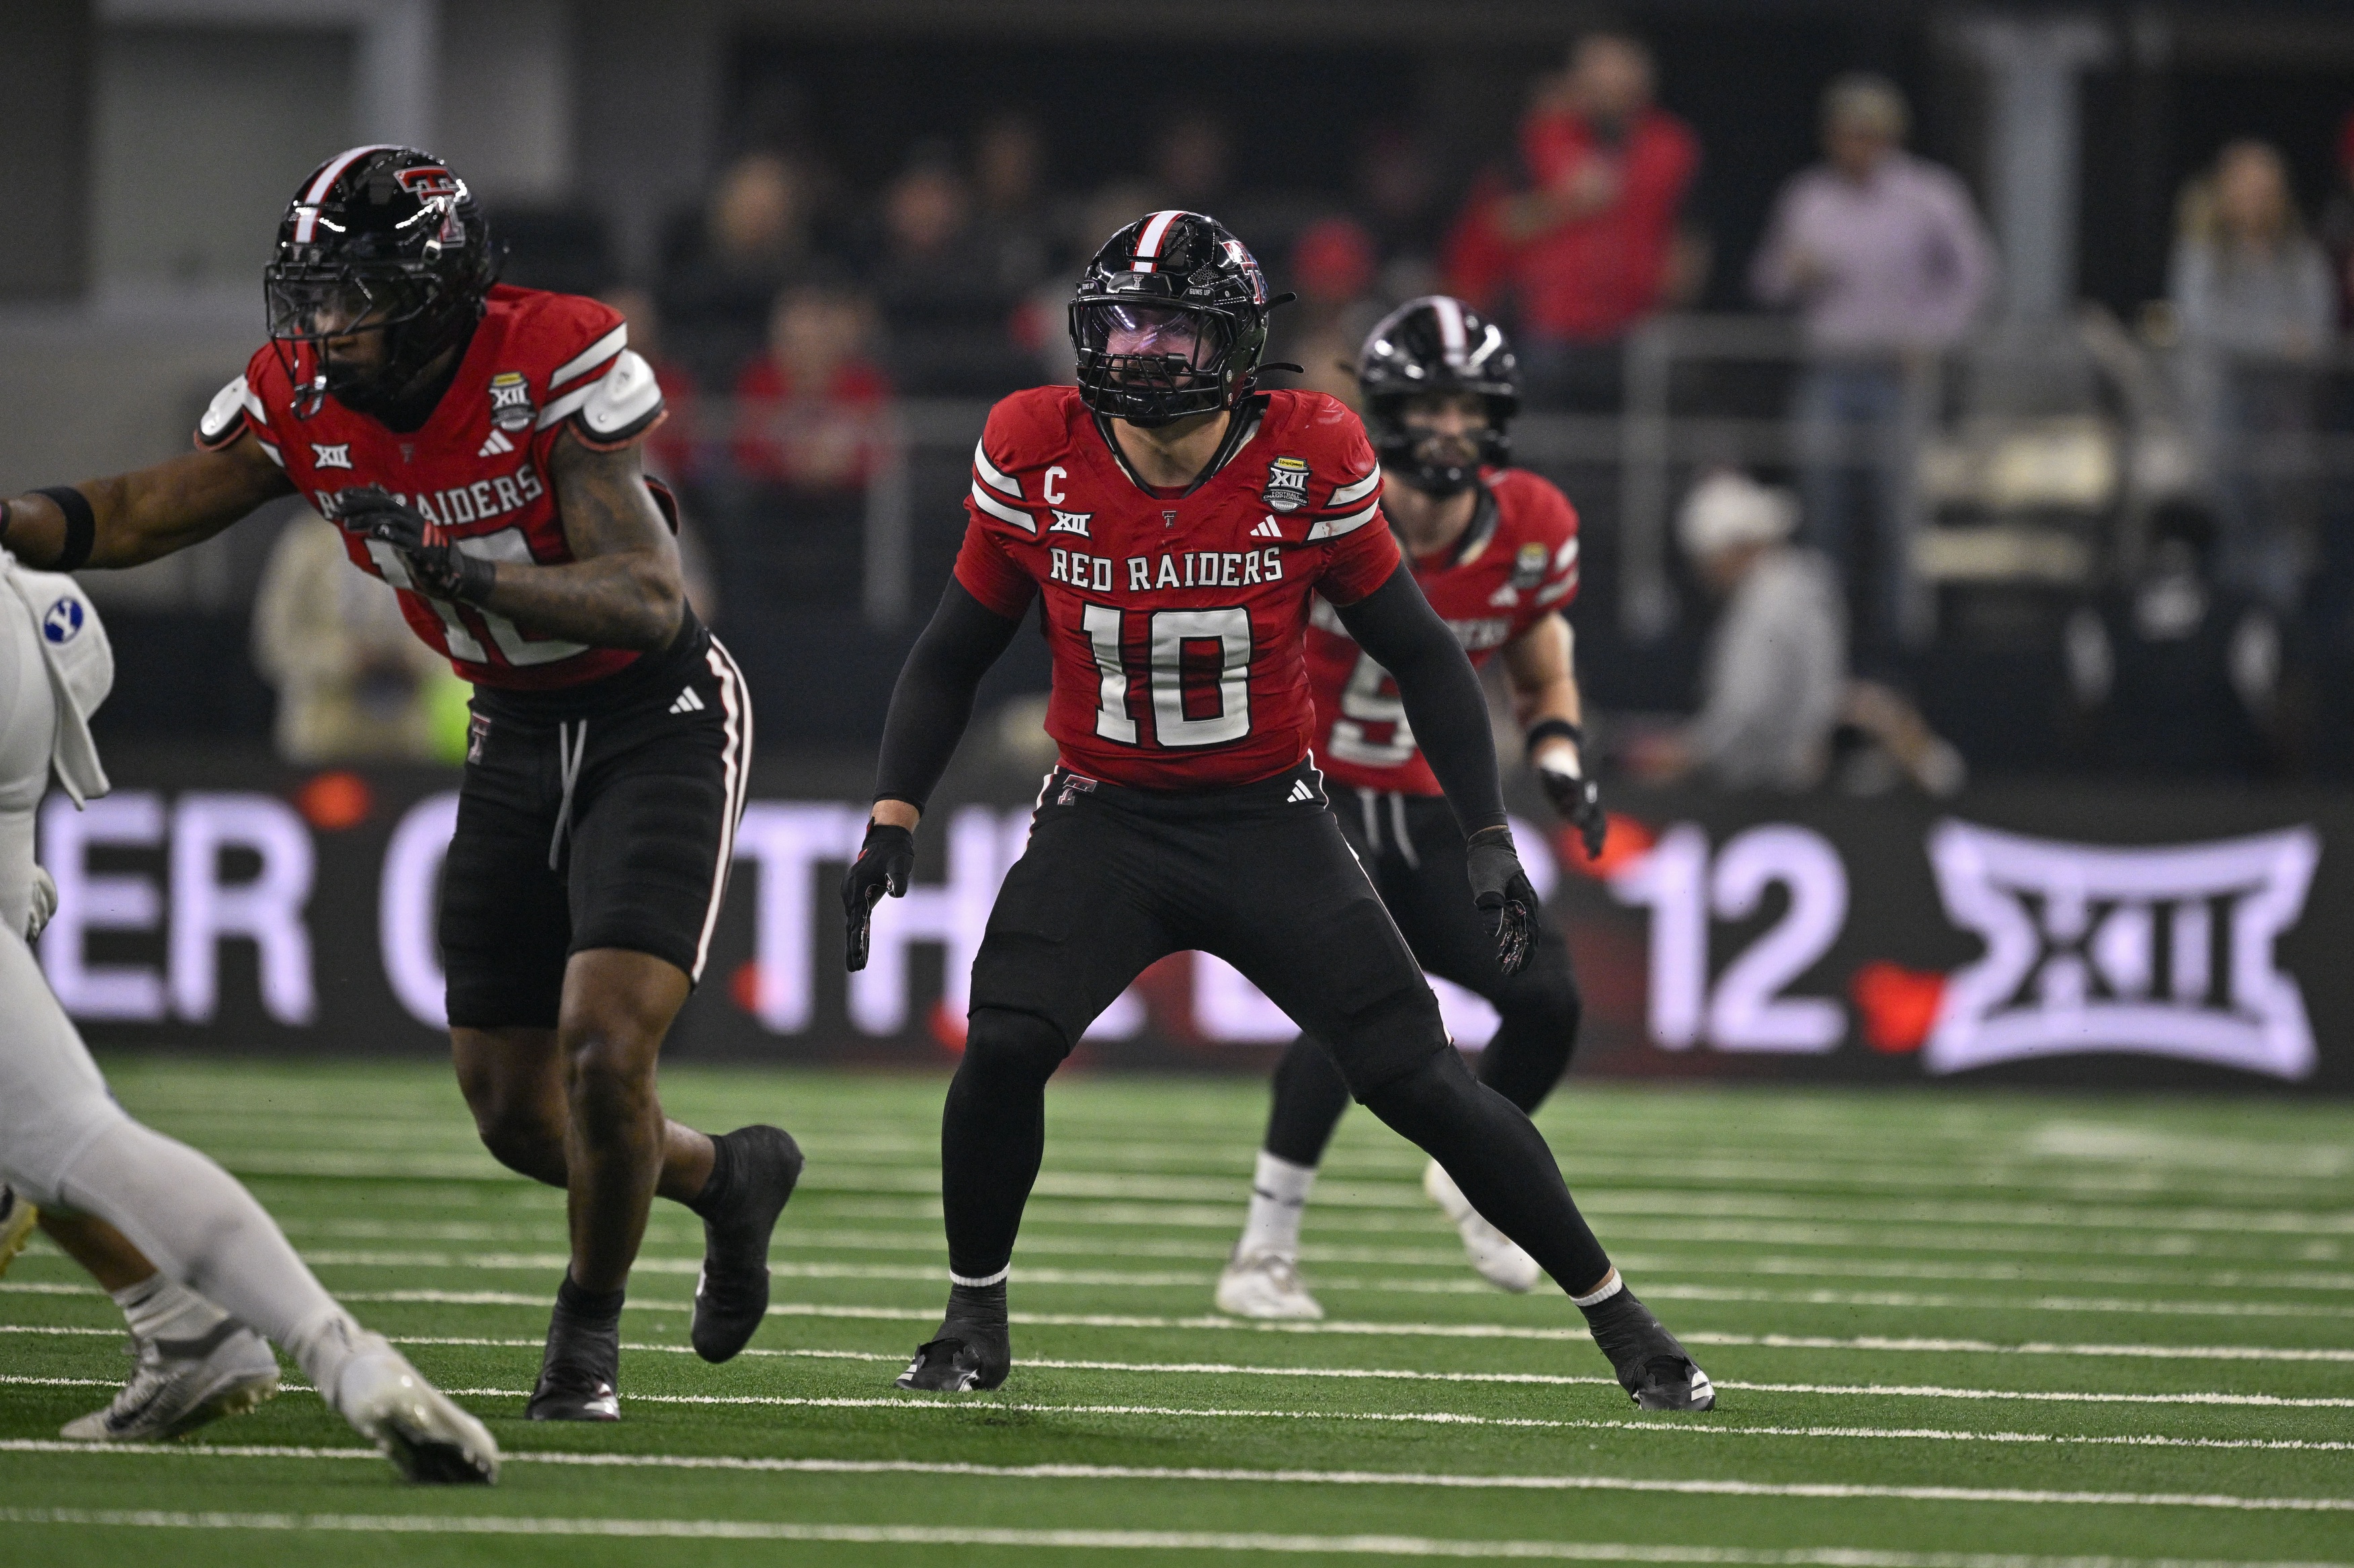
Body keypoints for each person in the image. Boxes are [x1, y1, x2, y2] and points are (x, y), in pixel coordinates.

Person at [842, 210, 1714, 1411]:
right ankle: (969, 1315)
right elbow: (953, 651)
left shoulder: (1309, 452)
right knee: (999, 1048)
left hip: (1268, 817)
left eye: (1174, 329)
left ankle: (1622, 1316)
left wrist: (1485, 832)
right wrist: (894, 807)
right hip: (1103, 816)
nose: (1143, 352)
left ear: (1241, 346)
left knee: (1421, 1079)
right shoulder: (1034, 443)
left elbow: (1423, 654)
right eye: (1125, 324)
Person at [0, 147, 802, 1422]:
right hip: (514, 725)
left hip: (658, 714)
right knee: (515, 1113)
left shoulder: (553, 355)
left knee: (605, 1049)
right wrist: (15, 517)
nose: (326, 323)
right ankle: (722, 1175)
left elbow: (652, 602)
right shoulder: (305, 398)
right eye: (313, 293)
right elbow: (150, 507)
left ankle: (583, 1343)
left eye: (357, 293)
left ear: (434, 294)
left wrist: (459, 571)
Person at [0, 545, 496, 1478]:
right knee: (48, 1114)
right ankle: (222, 1331)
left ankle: (316, 1350)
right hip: (25, 622)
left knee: (54, 1125)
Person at [1213, 297, 1607, 1320]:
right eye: (1426, 404)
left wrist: (1559, 751)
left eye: (1467, 406)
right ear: (1384, 412)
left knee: (1548, 998)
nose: (1448, 427)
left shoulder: (1530, 524)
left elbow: (1538, 659)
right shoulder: (1329, 506)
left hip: (1431, 805)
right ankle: (1262, 1252)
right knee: (1353, 1010)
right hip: (1316, 793)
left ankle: (1477, 1168)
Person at [1751, 73, 1994, 662]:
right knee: (1822, 520)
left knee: (1897, 520)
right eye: (1847, 133)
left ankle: (1900, 649)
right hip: (1828, 372)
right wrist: (1794, 271)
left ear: (1890, 137)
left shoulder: (1929, 195)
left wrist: (1932, 337)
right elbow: (1766, 281)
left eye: (1869, 133)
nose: (1857, 145)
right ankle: (1821, 649)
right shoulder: (1808, 197)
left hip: (1896, 378)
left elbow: (1977, 278)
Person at [1445, 32, 1699, 411]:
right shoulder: (1540, 141)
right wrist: (1564, 202)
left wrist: (1679, 290)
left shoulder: (1672, 147)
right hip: (1553, 328)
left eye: (1619, 83)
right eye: (1597, 83)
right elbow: (1496, 226)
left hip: (1636, 327)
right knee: (1551, 444)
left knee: (1631, 452)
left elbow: (1690, 233)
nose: (1609, 94)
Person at [2169, 139, 2337, 612]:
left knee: (2283, 555)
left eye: (2265, 191)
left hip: (2284, 434)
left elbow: (2317, 335)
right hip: (2221, 433)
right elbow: (2208, 329)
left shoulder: (2301, 260)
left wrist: (2285, 346)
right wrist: (2276, 343)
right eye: (2245, 190)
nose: (2255, 201)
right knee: (2224, 550)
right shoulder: (2201, 257)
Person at [1635, 471, 1846, 791]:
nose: (1704, 575)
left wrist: (1690, 752)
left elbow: (1748, 710)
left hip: (1771, 788)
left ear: (1735, 549)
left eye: (1706, 561)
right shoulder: (1798, 587)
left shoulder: (1768, 603)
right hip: (1794, 777)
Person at [251, 508, 460, 763]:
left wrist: (415, 656)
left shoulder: (423, 536)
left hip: (405, 730)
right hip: (323, 729)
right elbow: (275, 641)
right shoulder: (310, 541)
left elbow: (459, 628)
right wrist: (346, 658)